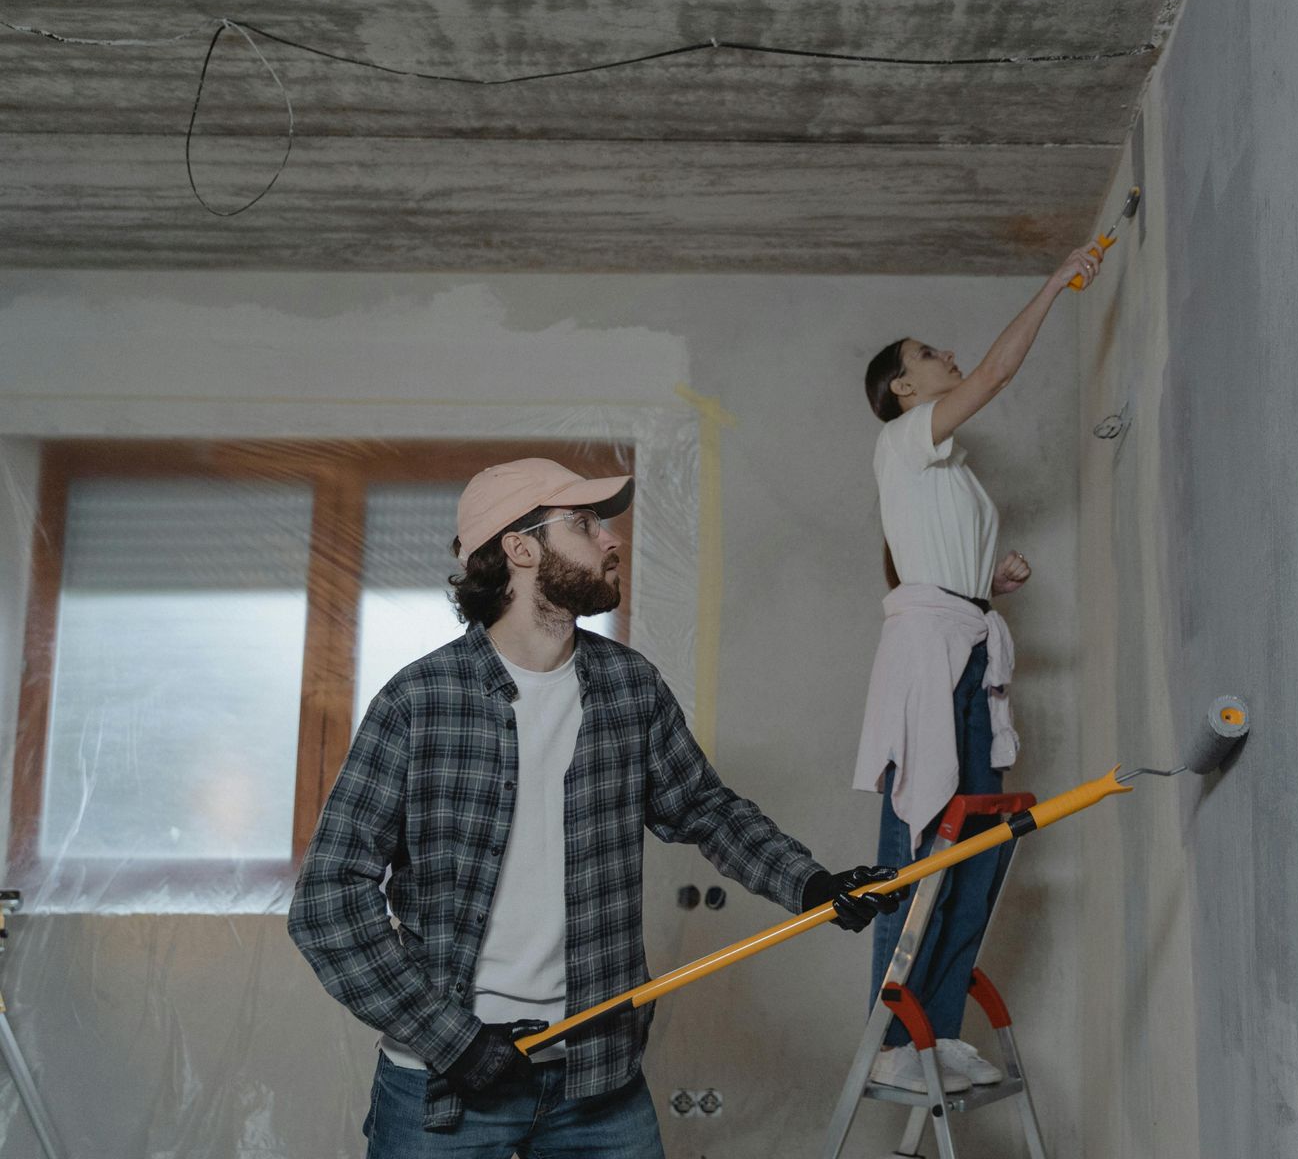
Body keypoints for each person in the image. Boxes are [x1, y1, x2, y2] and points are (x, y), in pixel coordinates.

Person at [290, 457, 896, 1158]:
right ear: (519, 548)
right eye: (583, 524)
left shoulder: (628, 689)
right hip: (444, 1084)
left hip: (596, 1081)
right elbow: (327, 898)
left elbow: (705, 809)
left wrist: (812, 884)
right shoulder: (418, 704)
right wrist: (451, 1041)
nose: (612, 540)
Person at [852, 243, 1101, 1094]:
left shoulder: (946, 469)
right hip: (934, 658)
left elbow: (933, 562)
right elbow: (994, 374)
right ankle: (894, 1036)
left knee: (980, 845)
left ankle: (939, 1029)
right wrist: (1054, 286)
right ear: (903, 389)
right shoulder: (903, 439)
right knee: (920, 843)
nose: (945, 359)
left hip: (965, 644)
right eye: (928, 358)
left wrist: (990, 580)